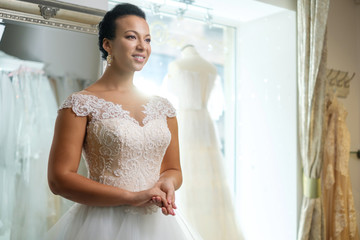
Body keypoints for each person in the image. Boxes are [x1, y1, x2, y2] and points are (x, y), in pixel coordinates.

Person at [45, 3, 201, 239]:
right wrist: (131, 197)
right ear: (108, 45)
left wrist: (168, 182)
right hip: (100, 225)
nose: (142, 46)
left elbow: (173, 169)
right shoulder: (79, 104)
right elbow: (59, 180)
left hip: (157, 225)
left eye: (147, 40)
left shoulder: (163, 107)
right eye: (131, 37)